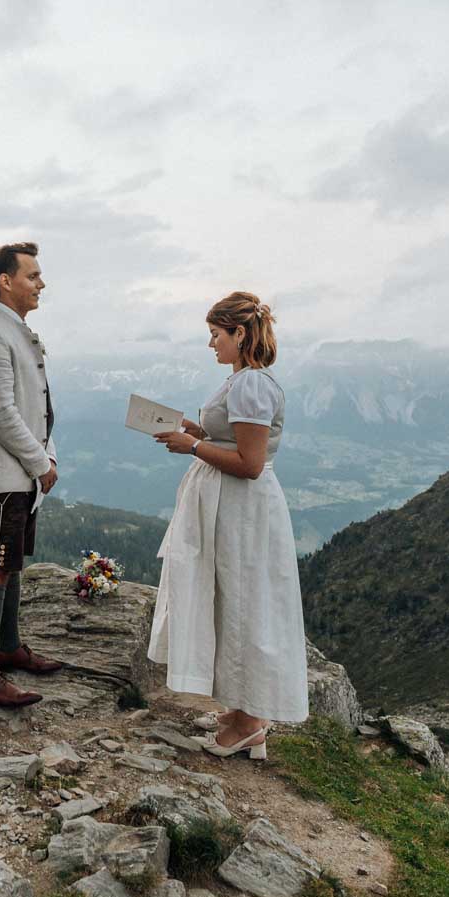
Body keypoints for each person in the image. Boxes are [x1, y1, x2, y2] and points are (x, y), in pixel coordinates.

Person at [147, 291, 308, 757]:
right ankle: (239, 712)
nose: (210, 344)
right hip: (230, 507)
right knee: (232, 602)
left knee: (243, 605)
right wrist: (197, 432)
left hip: (242, 510)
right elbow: (232, 439)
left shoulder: (252, 386)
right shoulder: (241, 382)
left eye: (216, 335)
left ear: (240, 334)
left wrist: (191, 447)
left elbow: (250, 462)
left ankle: (251, 721)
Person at [0, 241, 65, 708]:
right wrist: (40, 464)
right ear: (6, 281)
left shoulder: (19, 333)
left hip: (20, 472)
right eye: (33, 275)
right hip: (3, 474)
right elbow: (0, 412)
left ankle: (9, 647)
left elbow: (39, 409)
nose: (41, 282)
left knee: (14, 559)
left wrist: (50, 455)